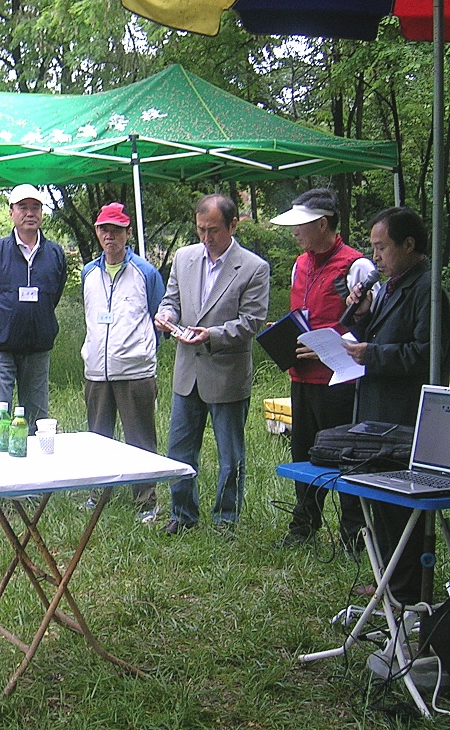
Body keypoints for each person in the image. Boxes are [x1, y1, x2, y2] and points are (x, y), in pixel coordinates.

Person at [344, 206, 450, 603]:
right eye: (372, 248)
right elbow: (375, 337)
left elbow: (428, 354)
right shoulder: (391, 286)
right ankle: (387, 579)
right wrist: (362, 315)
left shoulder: (428, 290)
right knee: (382, 503)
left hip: (405, 416)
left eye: (382, 247)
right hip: (377, 411)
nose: (376, 257)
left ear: (409, 244)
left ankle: (405, 590)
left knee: (402, 507)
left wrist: (373, 355)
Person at [154, 194, 270, 533]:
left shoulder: (253, 267)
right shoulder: (184, 257)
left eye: (214, 230)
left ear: (233, 226)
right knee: (179, 449)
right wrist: (166, 315)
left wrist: (212, 335)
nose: (206, 237)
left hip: (226, 372)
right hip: (187, 371)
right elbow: (171, 299)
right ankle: (182, 514)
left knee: (230, 455)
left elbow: (251, 321)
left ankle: (225, 519)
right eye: (201, 229)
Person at [270, 189, 374, 552]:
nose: (295, 232)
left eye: (301, 226)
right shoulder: (300, 264)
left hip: (338, 381)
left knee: (343, 455)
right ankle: (304, 525)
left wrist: (330, 347)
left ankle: (353, 535)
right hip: (301, 378)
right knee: (303, 454)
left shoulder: (356, 266)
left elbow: (370, 328)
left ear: (323, 224)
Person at [81, 203, 165, 521]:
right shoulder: (89, 273)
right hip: (96, 370)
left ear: (128, 233)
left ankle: (145, 501)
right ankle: (98, 494)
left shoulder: (145, 272)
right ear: (97, 232)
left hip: (135, 370)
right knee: (97, 438)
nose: (110, 236)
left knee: (140, 439)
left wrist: (142, 350)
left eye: (116, 230)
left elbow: (159, 318)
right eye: (104, 229)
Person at [0, 184, 66, 435]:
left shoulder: (55, 253)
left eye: (36, 207)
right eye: (23, 207)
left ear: (42, 213)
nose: (30, 213)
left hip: (37, 347)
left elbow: (54, 295)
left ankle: (35, 461)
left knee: (37, 417)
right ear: (11, 213)